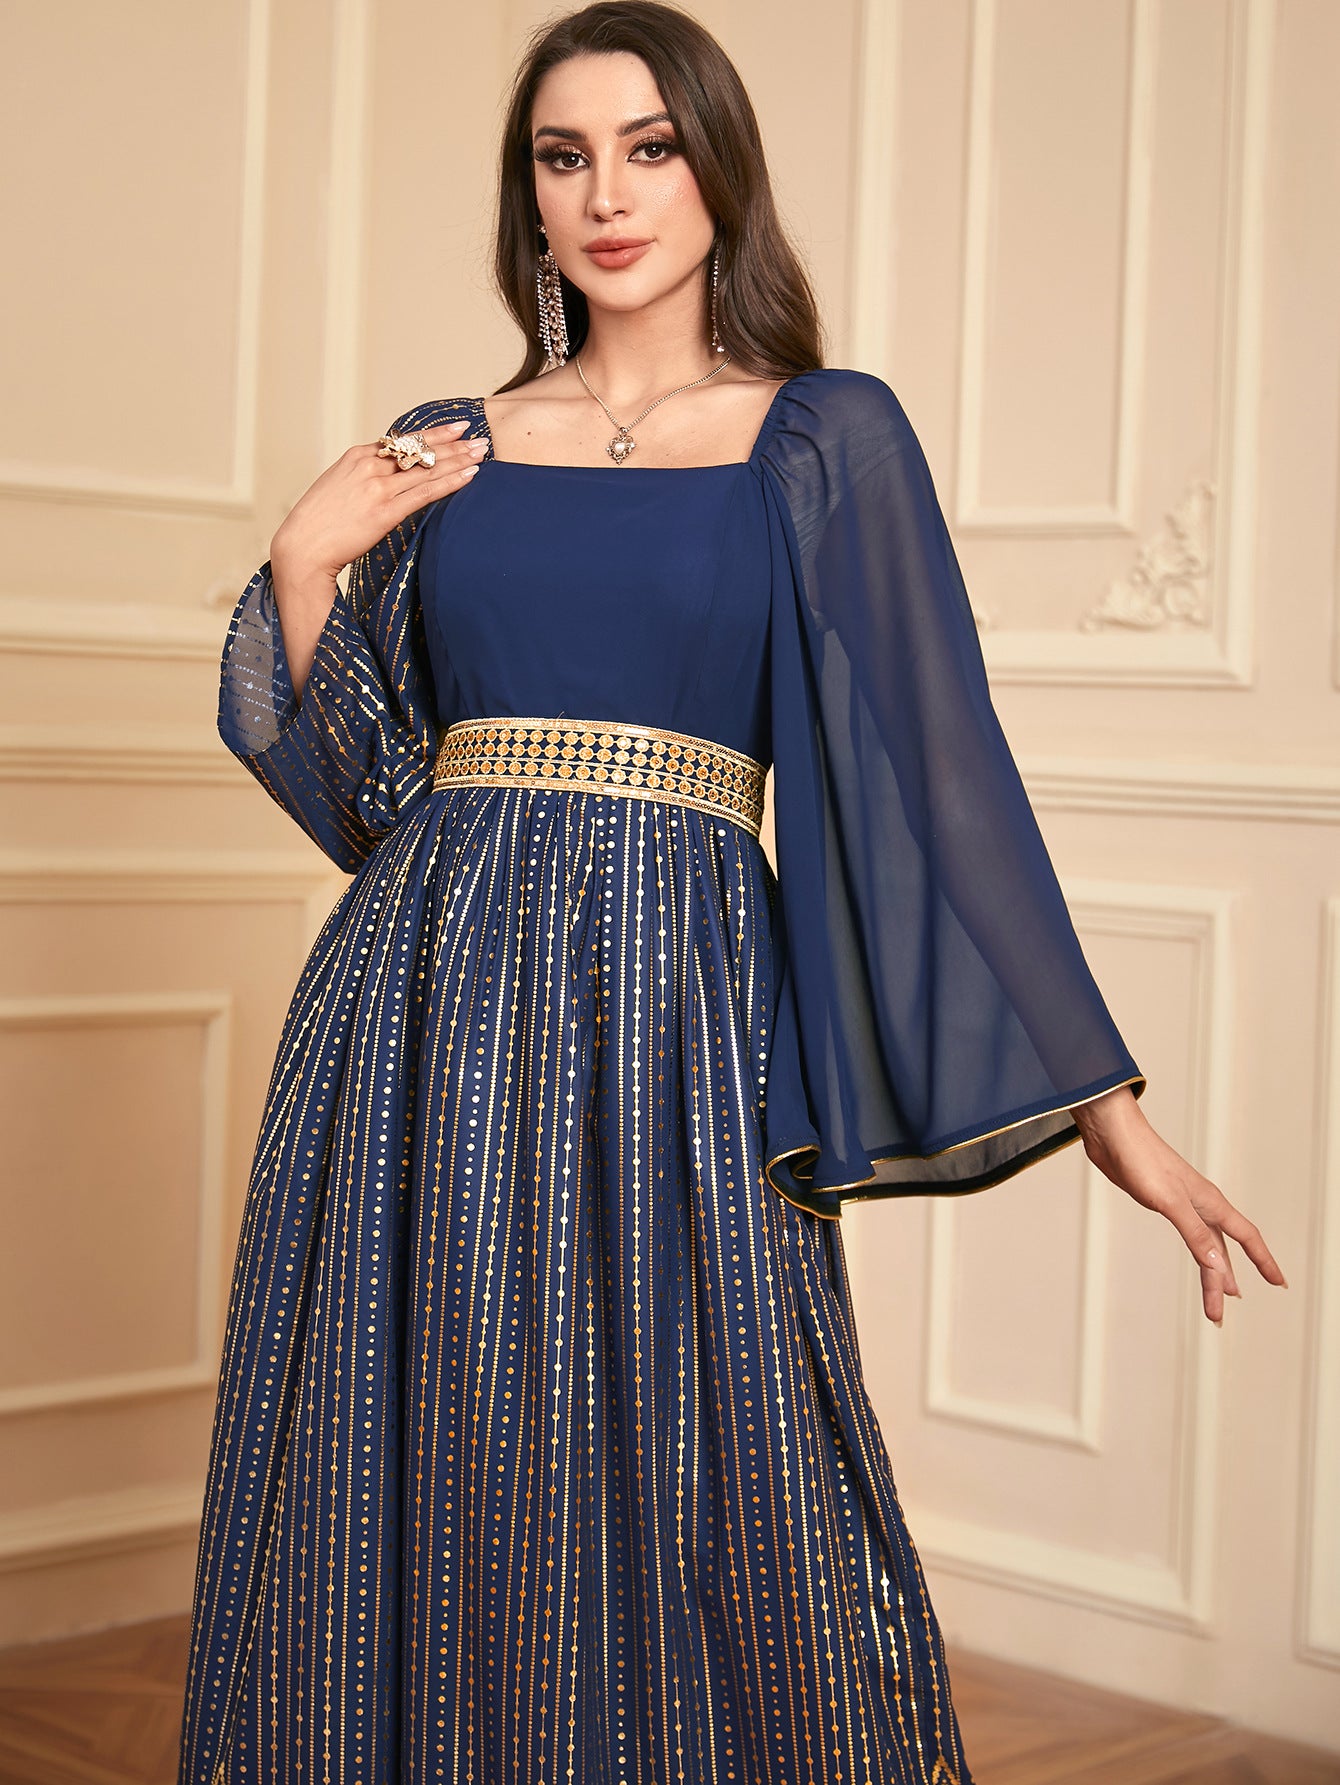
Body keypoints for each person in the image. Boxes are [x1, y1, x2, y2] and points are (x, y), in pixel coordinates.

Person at [177, 4, 1286, 1780]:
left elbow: (946, 776)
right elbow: (374, 797)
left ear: (718, 170)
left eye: (649, 148)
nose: (606, 195)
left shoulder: (822, 438)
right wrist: (305, 559)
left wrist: (1112, 1112)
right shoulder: (449, 445)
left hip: (680, 1001)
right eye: (563, 158)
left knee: (725, 1445)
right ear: (529, 198)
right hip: (419, 1006)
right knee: (430, 1440)